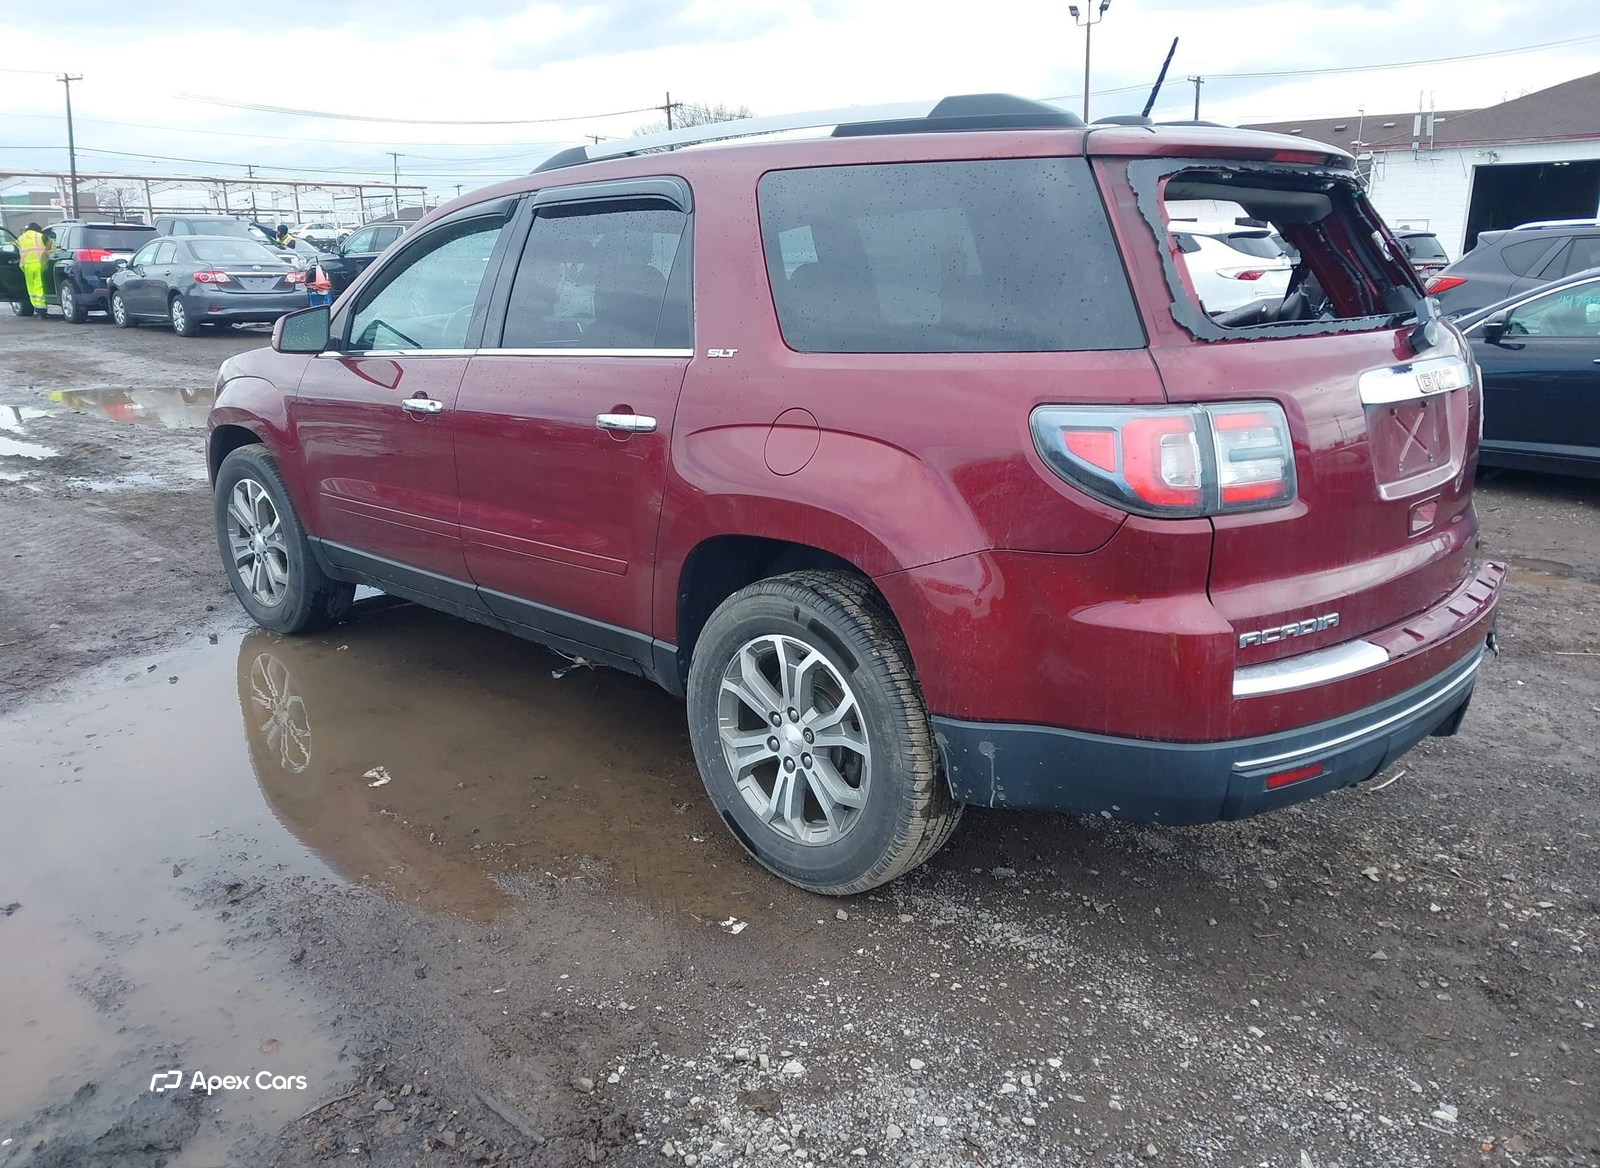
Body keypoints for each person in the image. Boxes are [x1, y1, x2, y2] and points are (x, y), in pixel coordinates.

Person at [17, 222, 49, 315]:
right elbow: (51, 248)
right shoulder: (40, 236)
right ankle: (41, 307)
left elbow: (18, 252)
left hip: (26, 265)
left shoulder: (20, 239)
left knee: (31, 287)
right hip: (39, 264)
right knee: (39, 285)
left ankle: (36, 306)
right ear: (37, 229)